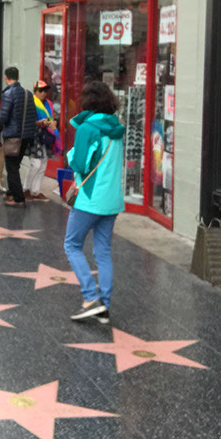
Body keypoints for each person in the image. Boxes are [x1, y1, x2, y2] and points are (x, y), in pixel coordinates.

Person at [64, 81, 125, 324]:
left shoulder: (87, 129)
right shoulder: (116, 127)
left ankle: (91, 298)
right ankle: (104, 305)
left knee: (72, 245)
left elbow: (79, 164)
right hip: (112, 200)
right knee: (103, 252)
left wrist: (70, 155)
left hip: (90, 199)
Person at [0, 66, 36, 207]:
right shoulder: (27, 93)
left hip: (13, 136)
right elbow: (32, 115)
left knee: (11, 167)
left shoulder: (9, 93)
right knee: (15, 165)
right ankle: (11, 191)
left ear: (5, 77)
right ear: (18, 77)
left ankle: (18, 198)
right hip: (26, 135)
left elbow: (3, 116)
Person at [24, 80, 62, 201]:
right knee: (35, 164)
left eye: (45, 90)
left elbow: (54, 117)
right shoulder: (30, 103)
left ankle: (35, 191)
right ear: (35, 91)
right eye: (40, 90)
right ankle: (26, 189)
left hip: (45, 136)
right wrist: (39, 123)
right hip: (33, 136)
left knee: (43, 163)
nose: (43, 93)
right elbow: (27, 120)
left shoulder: (48, 104)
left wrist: (54, 122)